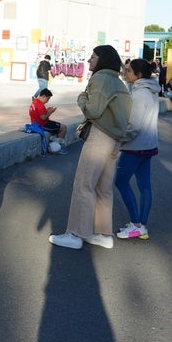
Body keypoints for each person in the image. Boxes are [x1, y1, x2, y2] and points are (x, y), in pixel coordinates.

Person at [49, 45, 131, 250]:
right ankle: (104, 234)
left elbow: (93, 111)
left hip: (100, 136)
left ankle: (76, 234)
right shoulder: (119, 83)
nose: (88, 61)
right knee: (104, 188)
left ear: (102, 59)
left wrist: (81, 98)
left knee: (84, 185)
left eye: (92, 57)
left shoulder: (100, 79)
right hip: (115, 139)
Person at [114, 59, 160, 240]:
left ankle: (136, 224)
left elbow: (134, 126)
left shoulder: (140, 94)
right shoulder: (152, 90)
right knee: (144, 186)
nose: (126, 73)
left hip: (135, 146)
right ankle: (141, 225)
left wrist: (120, 141)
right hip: (148, 145)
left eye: (128, 71)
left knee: (121, 182)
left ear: (138, 75)